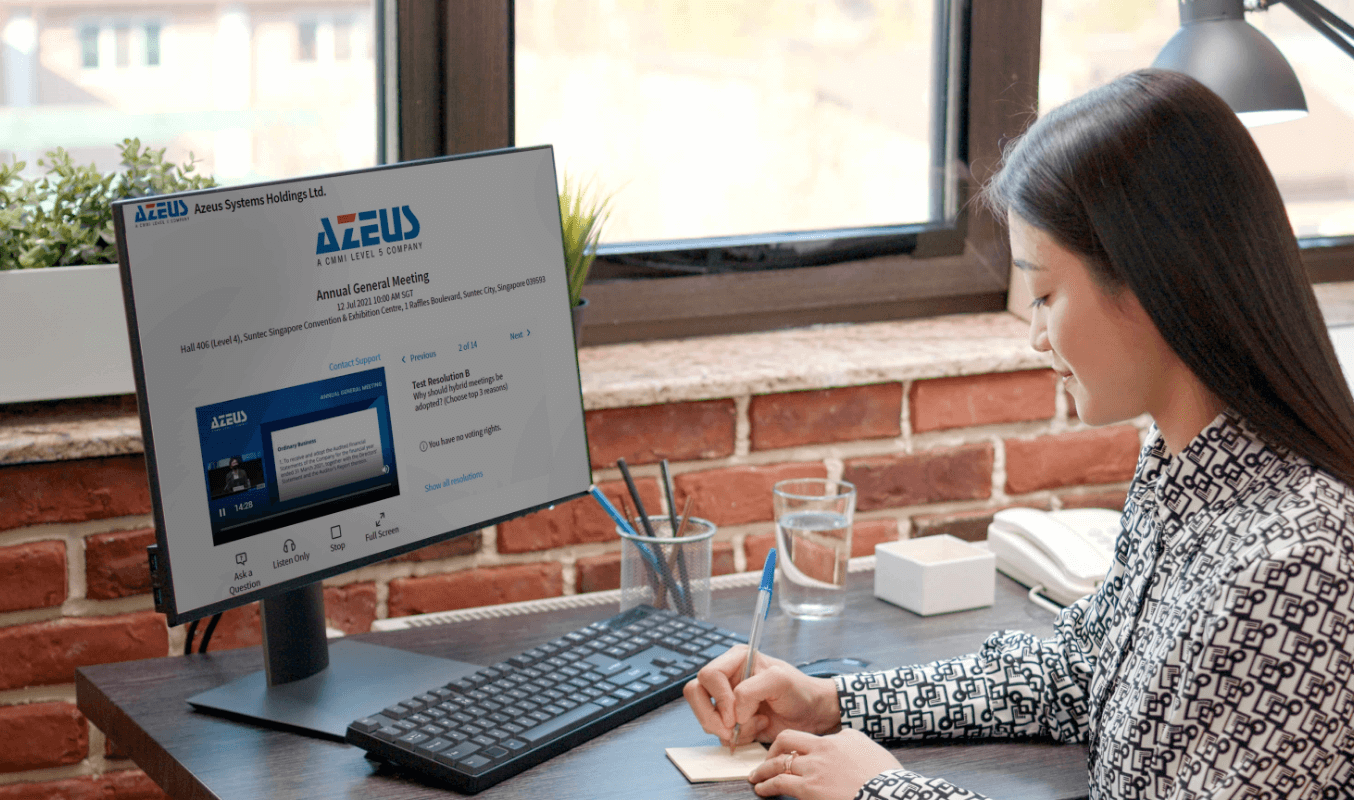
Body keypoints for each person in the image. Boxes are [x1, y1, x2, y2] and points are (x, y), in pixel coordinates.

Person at [684, 68, 1354, 800]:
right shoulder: (1180, 468)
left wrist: (885, 791)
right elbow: (1078, 672)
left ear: (1157, 281)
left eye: (1044, 294)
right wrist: (835, 701)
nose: (1035, 336)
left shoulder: (1299, 565)